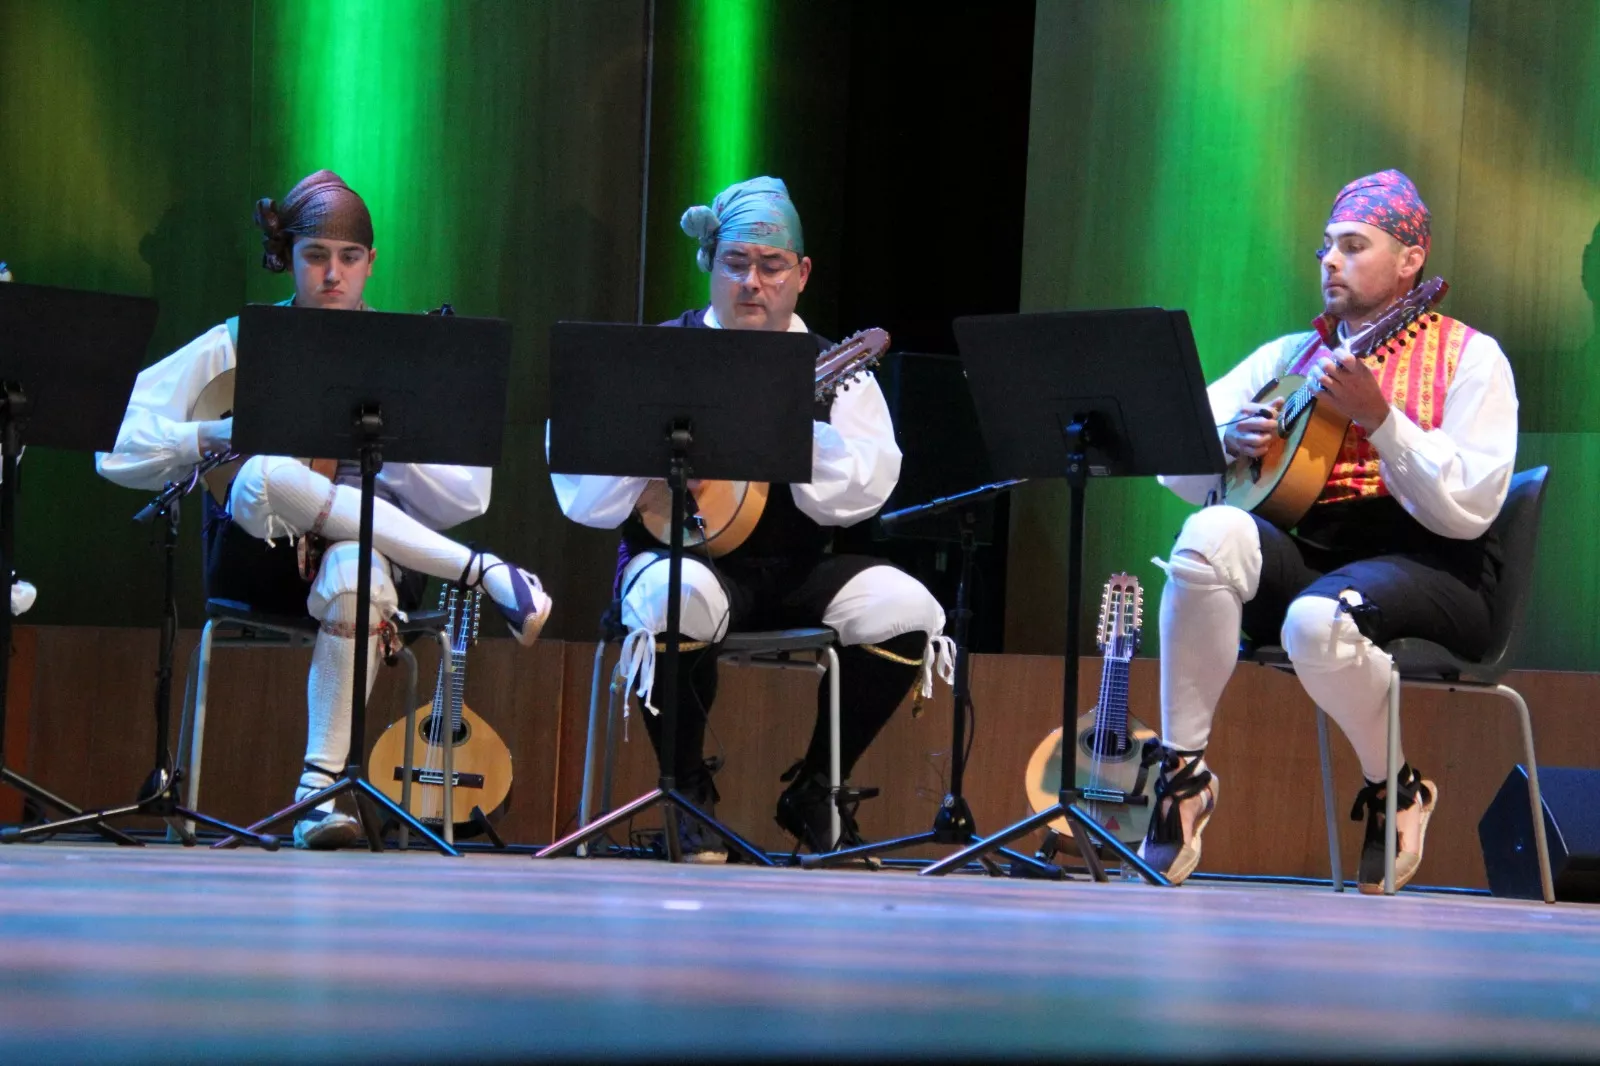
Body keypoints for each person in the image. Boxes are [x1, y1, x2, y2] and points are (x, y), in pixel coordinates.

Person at [97, 170, 551, 849]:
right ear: (289, 259)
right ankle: (484, 573)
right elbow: (113, 443)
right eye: (315, 256)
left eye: (347, 259)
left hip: (376, 572)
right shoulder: (238, 342)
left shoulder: (404, 355)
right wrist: (213, 433)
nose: (331, 275)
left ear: (371, 264)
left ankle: (318, 792)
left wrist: (389, 438)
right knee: (265, 478)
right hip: (257, 563)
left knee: (359, 567)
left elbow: (469, 493)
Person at [551, 176, 951, 861]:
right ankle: (686, 795)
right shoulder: (658, 354)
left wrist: (788, 429)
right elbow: (576, 481)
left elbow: (867, 489)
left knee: (909, 607)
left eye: (771, 268)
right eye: (736, 264)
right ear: (711, 265)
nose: (752, 284)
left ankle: (818, 792)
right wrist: (655, 454)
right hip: (681, 564)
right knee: (681, 597)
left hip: (794, 569)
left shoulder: (833, 367)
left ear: (802, 273)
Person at [1146, 169, 1518, 891]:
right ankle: (1183, 776)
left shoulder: (1470, 357)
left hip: (1433, 560)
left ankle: (1397, 789)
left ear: (1412, 258)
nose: (1330, 261)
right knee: (1204, 540)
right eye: (1326, 247)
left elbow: (1469, 507)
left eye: (1354, 245)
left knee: (1317, 626)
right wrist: (1225, 441)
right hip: (1312, 549)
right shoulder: (1289, 357)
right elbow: (1174, 450)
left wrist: (1382, 420)